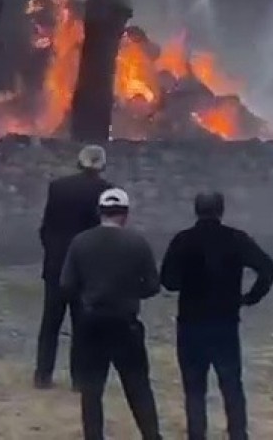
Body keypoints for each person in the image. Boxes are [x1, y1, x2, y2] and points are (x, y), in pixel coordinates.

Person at [161, 192, 273, 440]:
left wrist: (188, 281)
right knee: (232, 385)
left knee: (194, 389)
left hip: (191, 322)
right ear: (221, 210)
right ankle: (237, 434)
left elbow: (168, 282)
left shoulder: (183, 240)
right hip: (225, 321)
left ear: (196, 210)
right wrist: (250, 297)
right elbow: (268, 268)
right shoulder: (235, 238)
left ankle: (197, 435)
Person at [61, 187, 163, 440]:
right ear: (125, 214)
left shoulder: (80, 242)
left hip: (91, 324)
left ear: (100, 212)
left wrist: (88, 294)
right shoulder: (137, 243)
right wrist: (130, 292)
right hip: (125, 324)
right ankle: (151, 435)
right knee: (138, 386)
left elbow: (66, 284)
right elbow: (152, 285)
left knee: (92, 391)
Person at [35, 143, 111, 389]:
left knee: (50, 323)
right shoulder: (107, 192)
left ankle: (43, 374)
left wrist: (52, 251)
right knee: (82, 325)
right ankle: (79, 379)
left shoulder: (58, 188)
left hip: (57, 264)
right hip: (88, 270)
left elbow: (47, 226)